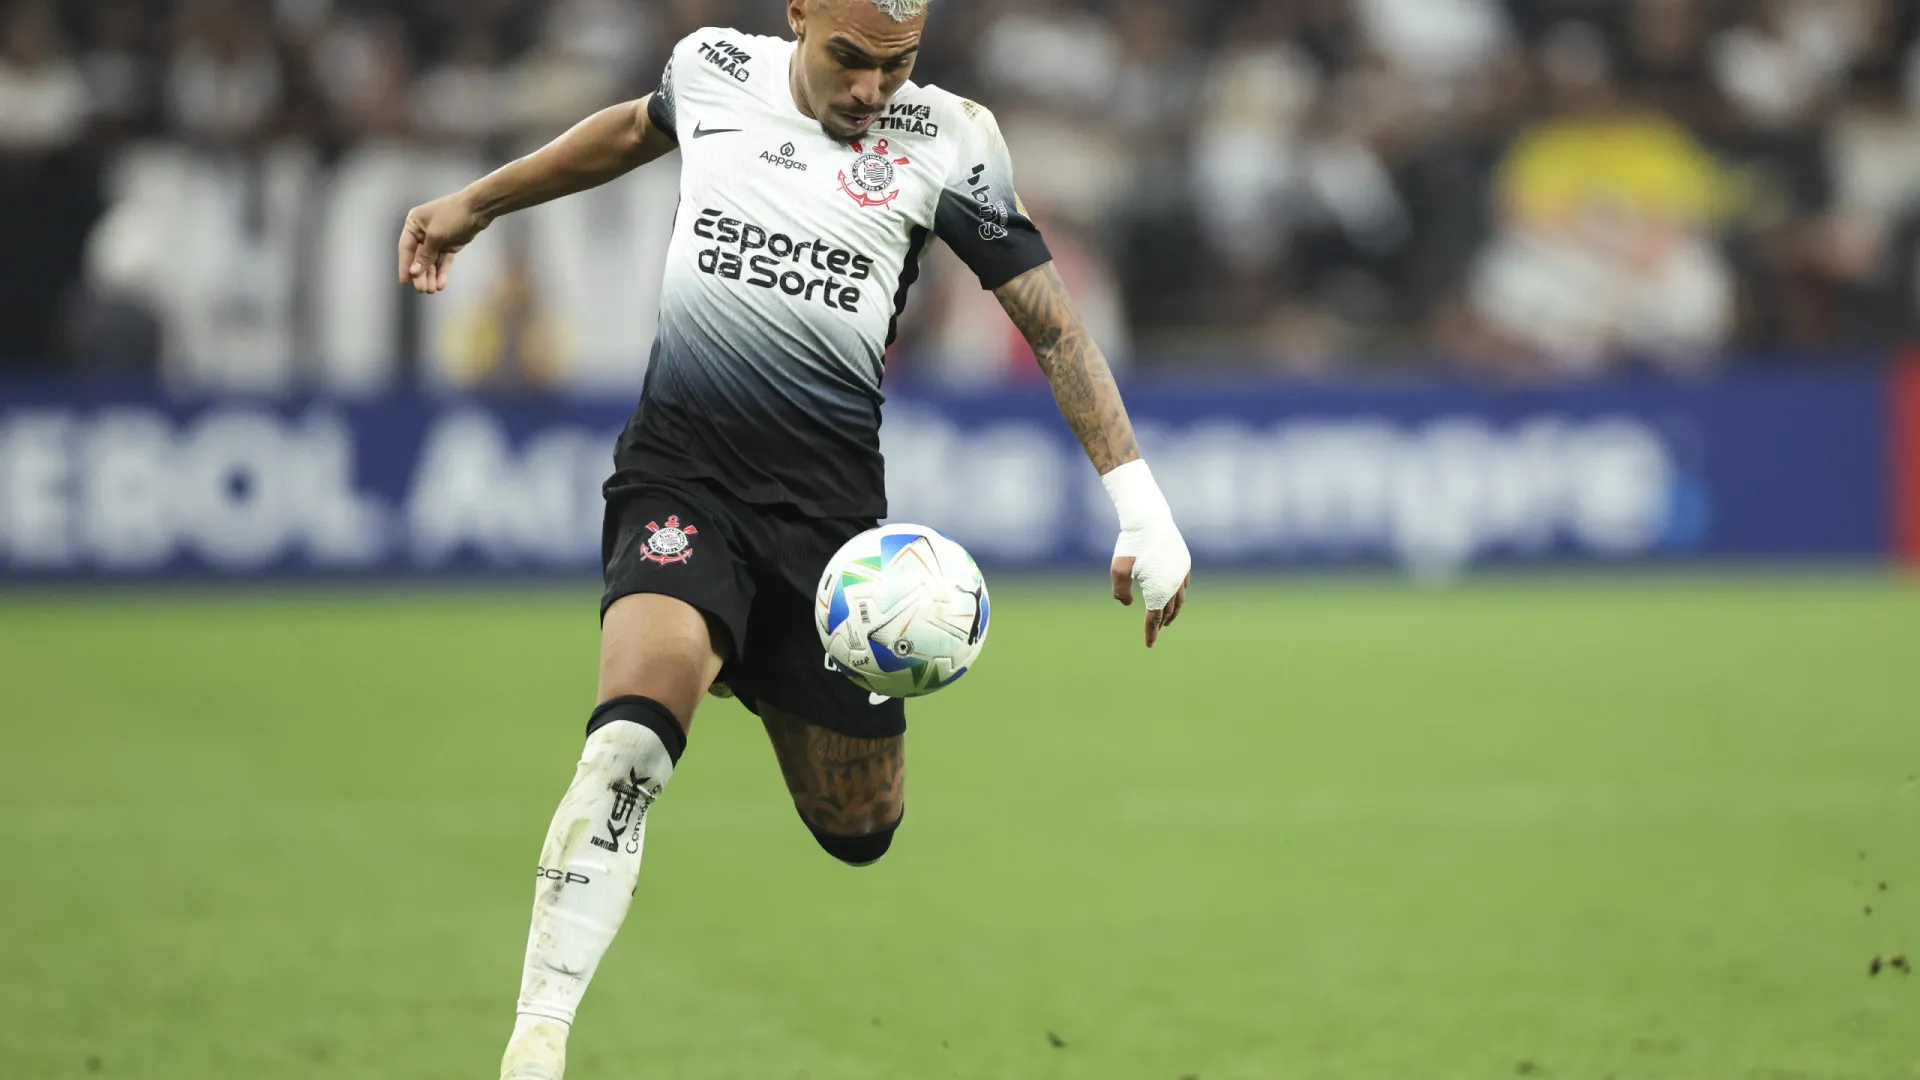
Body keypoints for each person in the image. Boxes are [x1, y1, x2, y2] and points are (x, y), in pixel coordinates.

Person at [394, 2, 1192, 1076]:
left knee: (859, 826)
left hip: (829, 533)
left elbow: (1050, 323)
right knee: (629, 743)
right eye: (848, 60)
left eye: (895, 68)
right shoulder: (712, 71)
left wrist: (1143, 509)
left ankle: (745, 655)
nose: (870, 90)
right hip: (683, 482)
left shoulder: (950, 139)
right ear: (799, 15)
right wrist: (476, 203)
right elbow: (631, 128)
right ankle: (539, 1037)